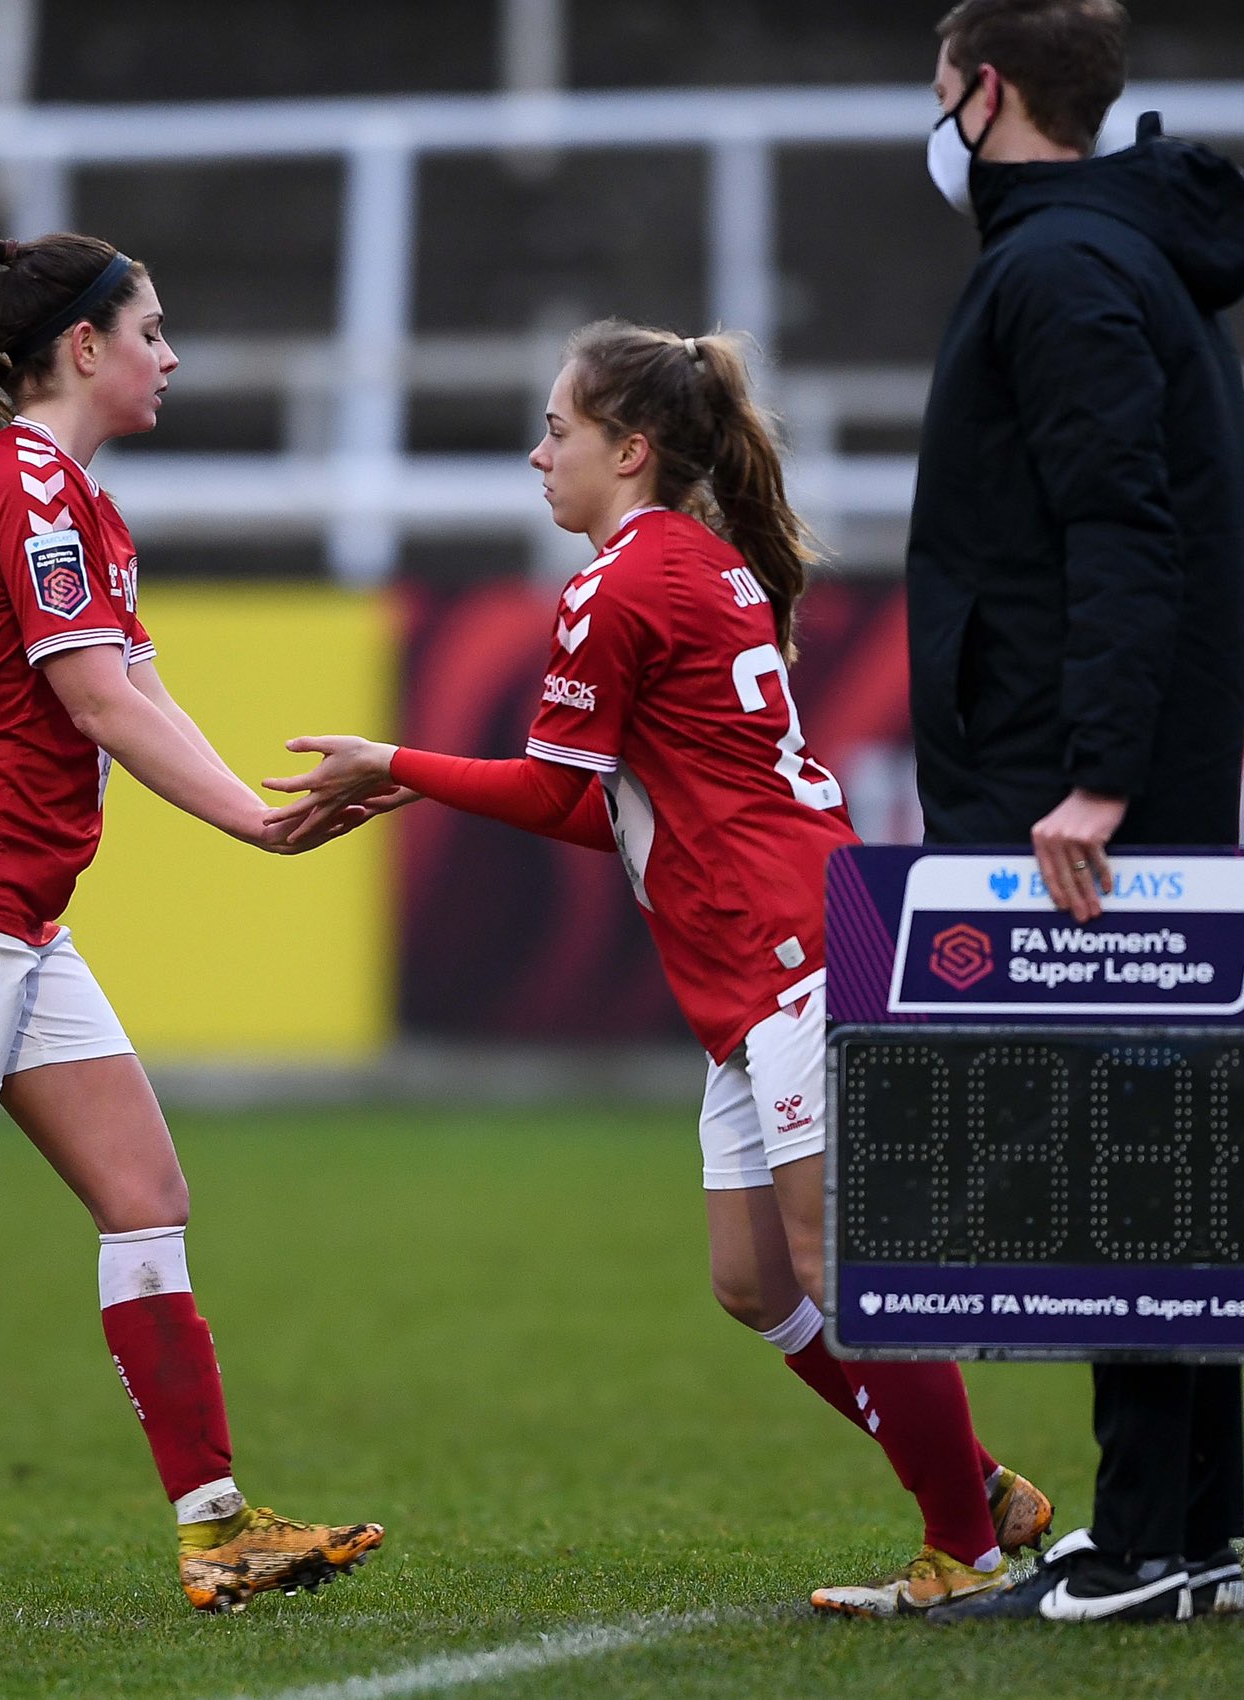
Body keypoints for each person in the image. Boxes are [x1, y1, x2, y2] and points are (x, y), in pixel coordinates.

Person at [264, 319, 1053, 1618]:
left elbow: (552, 788)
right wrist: (429, 783)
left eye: (557, 431)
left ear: (629, 450)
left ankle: (962, 1551)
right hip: (763, 966)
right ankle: (976, 1490)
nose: (539, 456)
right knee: (755, 1282)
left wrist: (393, 761)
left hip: (796, 951)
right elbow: (612, 810)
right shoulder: (697, 562)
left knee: (837, 1266)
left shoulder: (620, 584)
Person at [0, 231, 382, 1621]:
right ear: (85, 348)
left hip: (12, 908)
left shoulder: (75, 502)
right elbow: (99, 704)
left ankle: (217, 1532)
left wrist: (265, 810)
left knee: (146, 1196)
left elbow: (138, 692)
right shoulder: (29, 484)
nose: (170, 356)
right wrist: (255, 826)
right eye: (152, 331)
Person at [905, 0, 1244, 1624]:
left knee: (1127, 1165)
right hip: (1103, 775)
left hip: (1083, 800)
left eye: (941, 88)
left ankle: (1138, 1550)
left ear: (988, 91)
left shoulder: (1059, 268)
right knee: (1164, 1156)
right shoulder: (1117, 250)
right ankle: (1191, 1536)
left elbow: (1123, 527)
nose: (935, 120)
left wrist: (1097, 781)